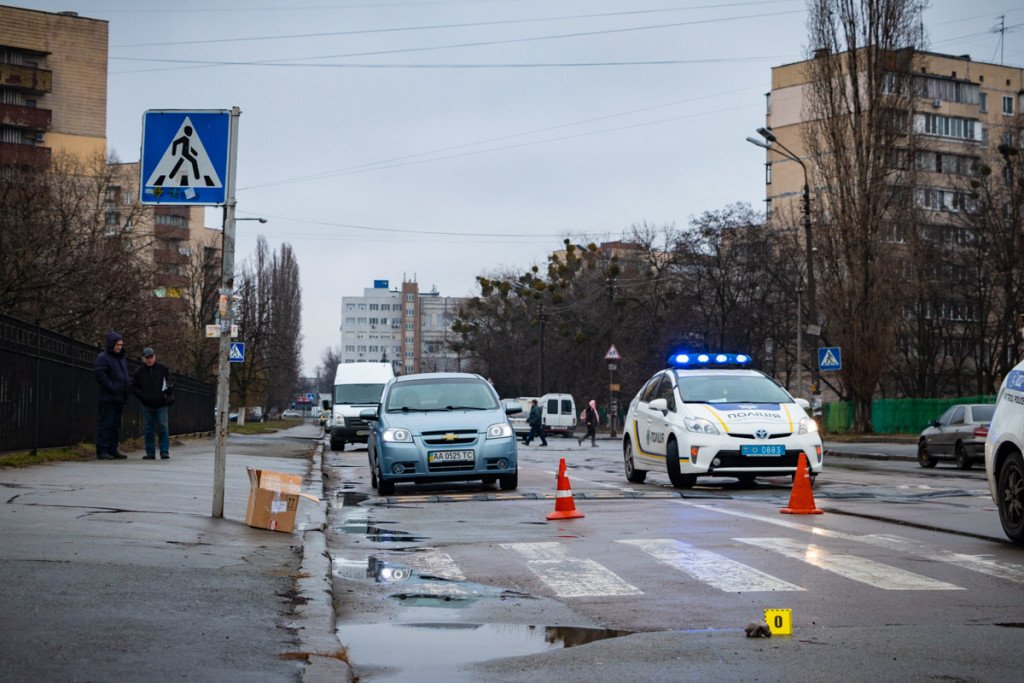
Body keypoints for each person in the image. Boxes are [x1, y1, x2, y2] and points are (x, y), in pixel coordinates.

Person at [132, 346, 174, 460]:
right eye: (147, 358)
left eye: (151, 357)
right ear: (143, 359)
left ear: (154, 357)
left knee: (163, 428)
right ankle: (150, 452)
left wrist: (166, 394)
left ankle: (164, 451)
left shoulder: (163, 369)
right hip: (147, 404)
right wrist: (141, 395)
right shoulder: (139, 372)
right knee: (148, 429)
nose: (149, 359)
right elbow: (134, 387)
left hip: (161, 403)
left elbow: (170, 382)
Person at [94, 332, 130, 460]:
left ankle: (112, 449)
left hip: (119, 397)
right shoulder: (103, 357)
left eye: (120, 345)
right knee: (106, 424)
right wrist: (112, 387)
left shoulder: (121, 358)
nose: (119, 347)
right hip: (108, 397)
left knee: (116, 425)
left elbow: (123, 376)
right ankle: (102, 450)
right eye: (117, 344)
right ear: (111, 344)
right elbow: (100, 374)